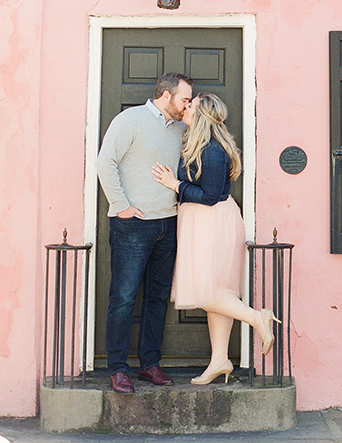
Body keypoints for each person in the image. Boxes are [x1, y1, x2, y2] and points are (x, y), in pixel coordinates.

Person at [152, 92, 278, 386]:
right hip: (202, 221)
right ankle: (220, 360)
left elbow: (210, 196)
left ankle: (257, 318)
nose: (186, 106)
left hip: (212, 221)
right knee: (217, 290)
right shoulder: (198, 143)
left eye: (191, 104)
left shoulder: (212, 149)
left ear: (202, 115)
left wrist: (176, 185)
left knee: (208, 291)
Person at [95, 71, 192, 393]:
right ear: (167, 96)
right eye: (184, 100)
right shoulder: (130, 119)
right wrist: (121, 205)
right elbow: (105, 162)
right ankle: (118, 368)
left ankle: (150, 364)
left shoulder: (181, 128)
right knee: (123, 298)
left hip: (169, 222)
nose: (186, 105)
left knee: (157, 297)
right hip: (132, 225)